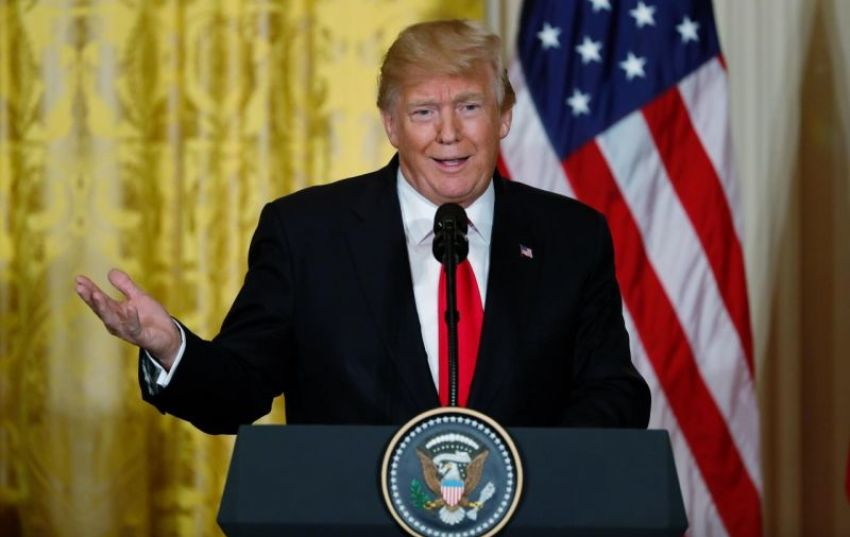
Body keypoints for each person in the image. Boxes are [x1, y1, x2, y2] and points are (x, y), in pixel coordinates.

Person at [75, 20, 650, 434]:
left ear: (503, 117)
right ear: (392, 124)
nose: (448, 133)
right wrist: (171, 346)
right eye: (424, 111)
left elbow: (613, 390)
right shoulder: (306, 234)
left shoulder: (571, 236)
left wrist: (534, 472)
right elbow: (239, 389)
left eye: (470, 107)